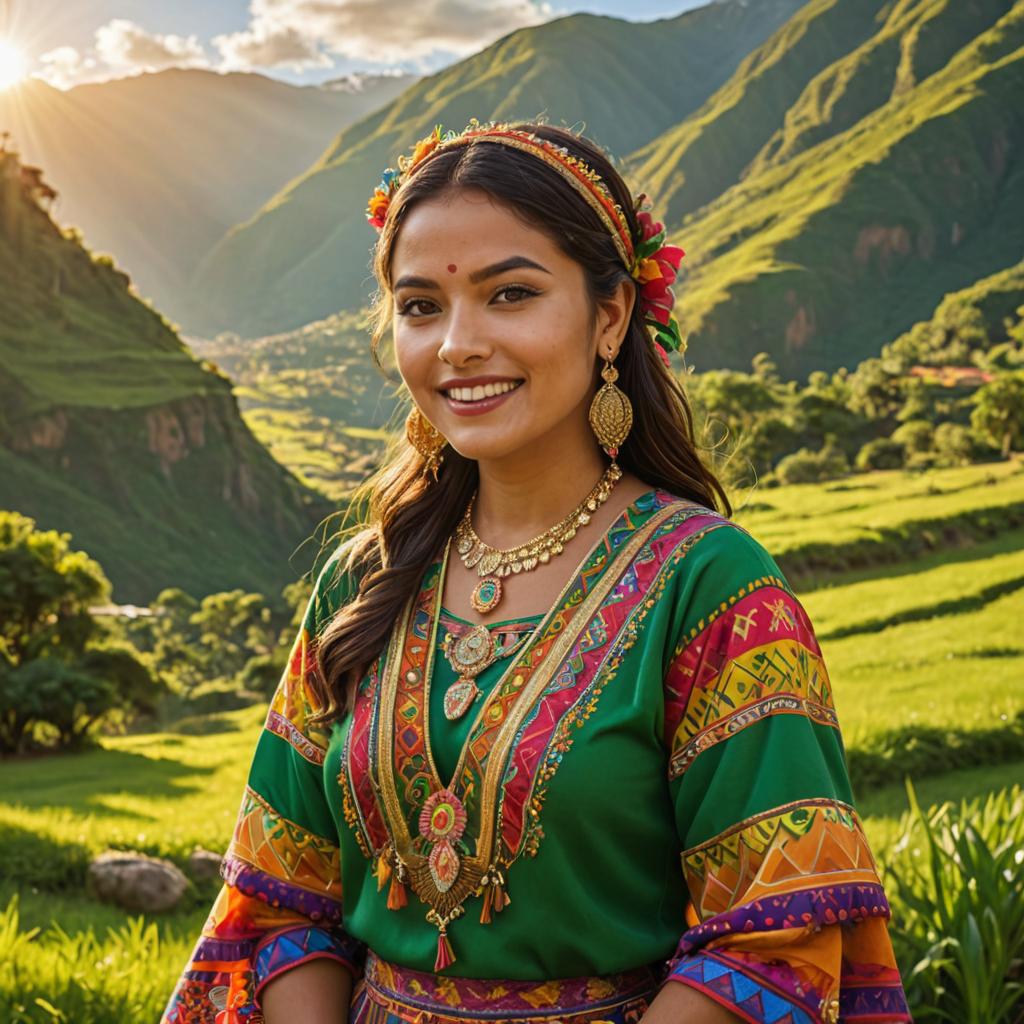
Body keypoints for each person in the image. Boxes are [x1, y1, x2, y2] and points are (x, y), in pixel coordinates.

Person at [163, 120, 911, 1024]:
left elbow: (771, 935)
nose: (457, 345)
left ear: (611, 314)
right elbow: (283, 896)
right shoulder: (361, 582)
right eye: (420, 307)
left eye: (509, 294)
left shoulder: (709, 586)